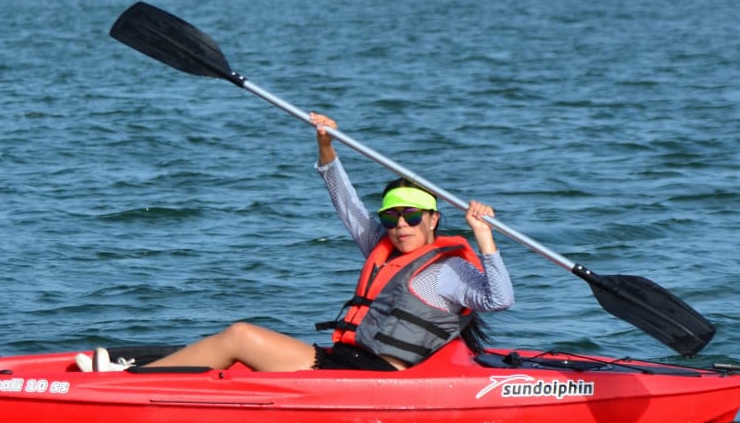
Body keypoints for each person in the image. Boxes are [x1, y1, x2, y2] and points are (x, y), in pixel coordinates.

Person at [78, 112, 512, 373]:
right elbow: (343, 198)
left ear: (434, 218)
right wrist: (324, 142)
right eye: (391, 216)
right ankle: (147, 370)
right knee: (245, 351)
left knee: (242, 337)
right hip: (349, 361)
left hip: (375, 374)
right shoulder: (383, 249)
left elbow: (500, 299)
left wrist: (484, 236)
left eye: (412, 216)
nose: (400, 226)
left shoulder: (448, 271)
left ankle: (129, 384)